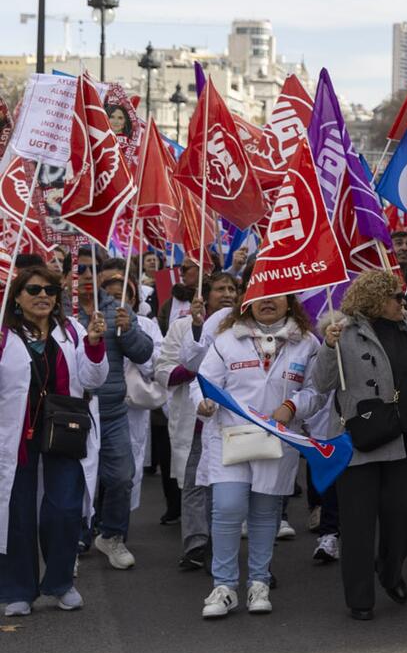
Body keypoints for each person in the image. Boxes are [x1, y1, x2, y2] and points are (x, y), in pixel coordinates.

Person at [315, 269, 407, 621]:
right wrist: (328, 346)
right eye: (396, 297)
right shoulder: (344, 330)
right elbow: (322, 384)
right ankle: (360, 599)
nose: (403, 302)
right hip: (360, 439)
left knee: (405, 509)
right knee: (357, 525)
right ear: (375, 300)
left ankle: (388, 569)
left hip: (402, 437)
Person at [191, 292, 322, 618]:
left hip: (276, 440)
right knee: (228, 506)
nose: (269, 302)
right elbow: (203, 382)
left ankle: (259, 583)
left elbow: (318, 391)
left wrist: (292, 406)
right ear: (247, 301)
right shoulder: (227, 339)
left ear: (289, 301)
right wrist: (203, 402)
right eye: (261, 296)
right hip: (230, 437)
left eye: (277, 296)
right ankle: (224, 586)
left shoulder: (305, 343)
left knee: (266, 513)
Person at [0, 261, 107, 616]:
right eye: (34, 290)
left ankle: (61, 582)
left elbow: (93, 379)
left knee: (63, 509)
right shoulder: (3, 336)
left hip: (63, 433)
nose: (43, 296)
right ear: (17, 297)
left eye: (50, 290)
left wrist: (94, 345)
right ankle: (18, 589)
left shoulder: (72, 331)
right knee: (18, 513)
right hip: (16, 436)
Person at [156, 272, 238, 572]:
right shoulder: (182, 327)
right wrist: (198, 372)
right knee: (193, 483)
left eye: (232, 288)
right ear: (204, 295)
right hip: (195, 418)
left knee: (223, 483)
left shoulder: (242, 327)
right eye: (219, 289)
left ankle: (220, 543)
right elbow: (163, 369)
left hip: (228, 417)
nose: (227, 294)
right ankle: (195, 544)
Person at [86, 260, 154, 571]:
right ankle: (72, 539)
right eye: (80, 269)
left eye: (90, 269)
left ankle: (111, 535)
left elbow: (143, 353)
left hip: (112, 411)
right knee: (74, 484)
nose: (86, 275)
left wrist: (127, 331)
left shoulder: (118, 309)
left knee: (121, 478)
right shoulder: (56, 310)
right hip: (72, 413)